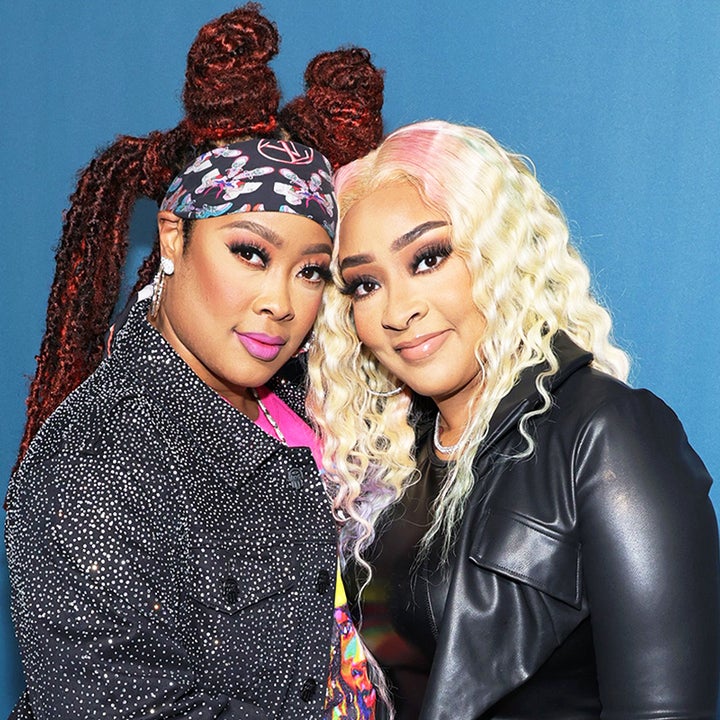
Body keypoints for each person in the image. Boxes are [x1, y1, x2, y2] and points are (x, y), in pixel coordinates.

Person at [6, 5, 384, 719]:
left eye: (310, 271)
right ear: (174, 238)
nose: (280, 303)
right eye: (250, 253)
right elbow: (122, 704)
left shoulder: (311, 403)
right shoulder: (98, 458)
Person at [307, 120, 720, 719]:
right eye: (365, 284)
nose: (398, 310)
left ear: (501, 254)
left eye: (428, 258)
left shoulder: (607, 434)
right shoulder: (388, 463)